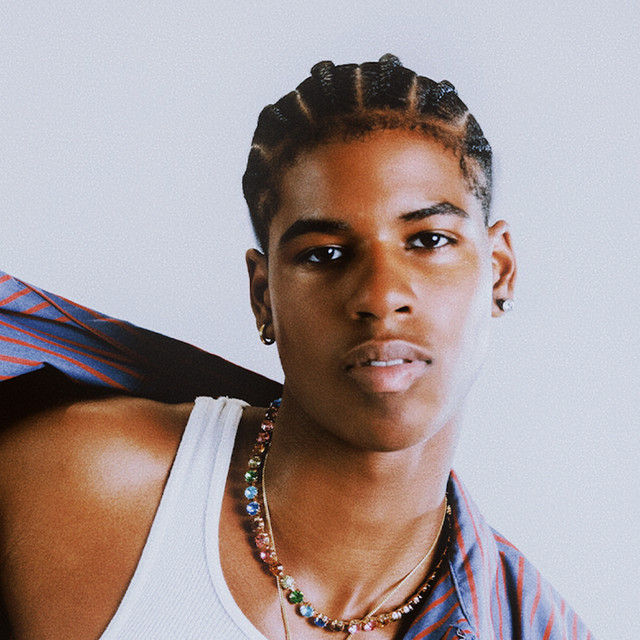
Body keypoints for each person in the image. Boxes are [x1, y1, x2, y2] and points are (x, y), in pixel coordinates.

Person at [0, 55, 593, 639]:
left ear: (499, 271)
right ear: (264, 297)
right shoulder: (85, 484)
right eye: (324, 253)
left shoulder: (523, 626)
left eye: (428, 240)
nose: (381, 296)